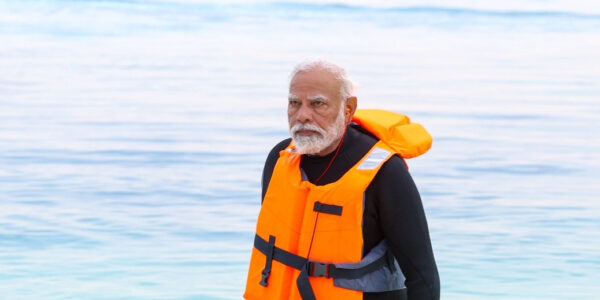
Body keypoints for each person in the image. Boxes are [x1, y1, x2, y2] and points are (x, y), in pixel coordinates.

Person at [244, 60, 440, 300]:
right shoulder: (279, 159)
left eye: (318, 104)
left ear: (348, 108)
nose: (303, 115)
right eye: (295, 103)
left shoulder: (386, 174)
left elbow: (423, 276)